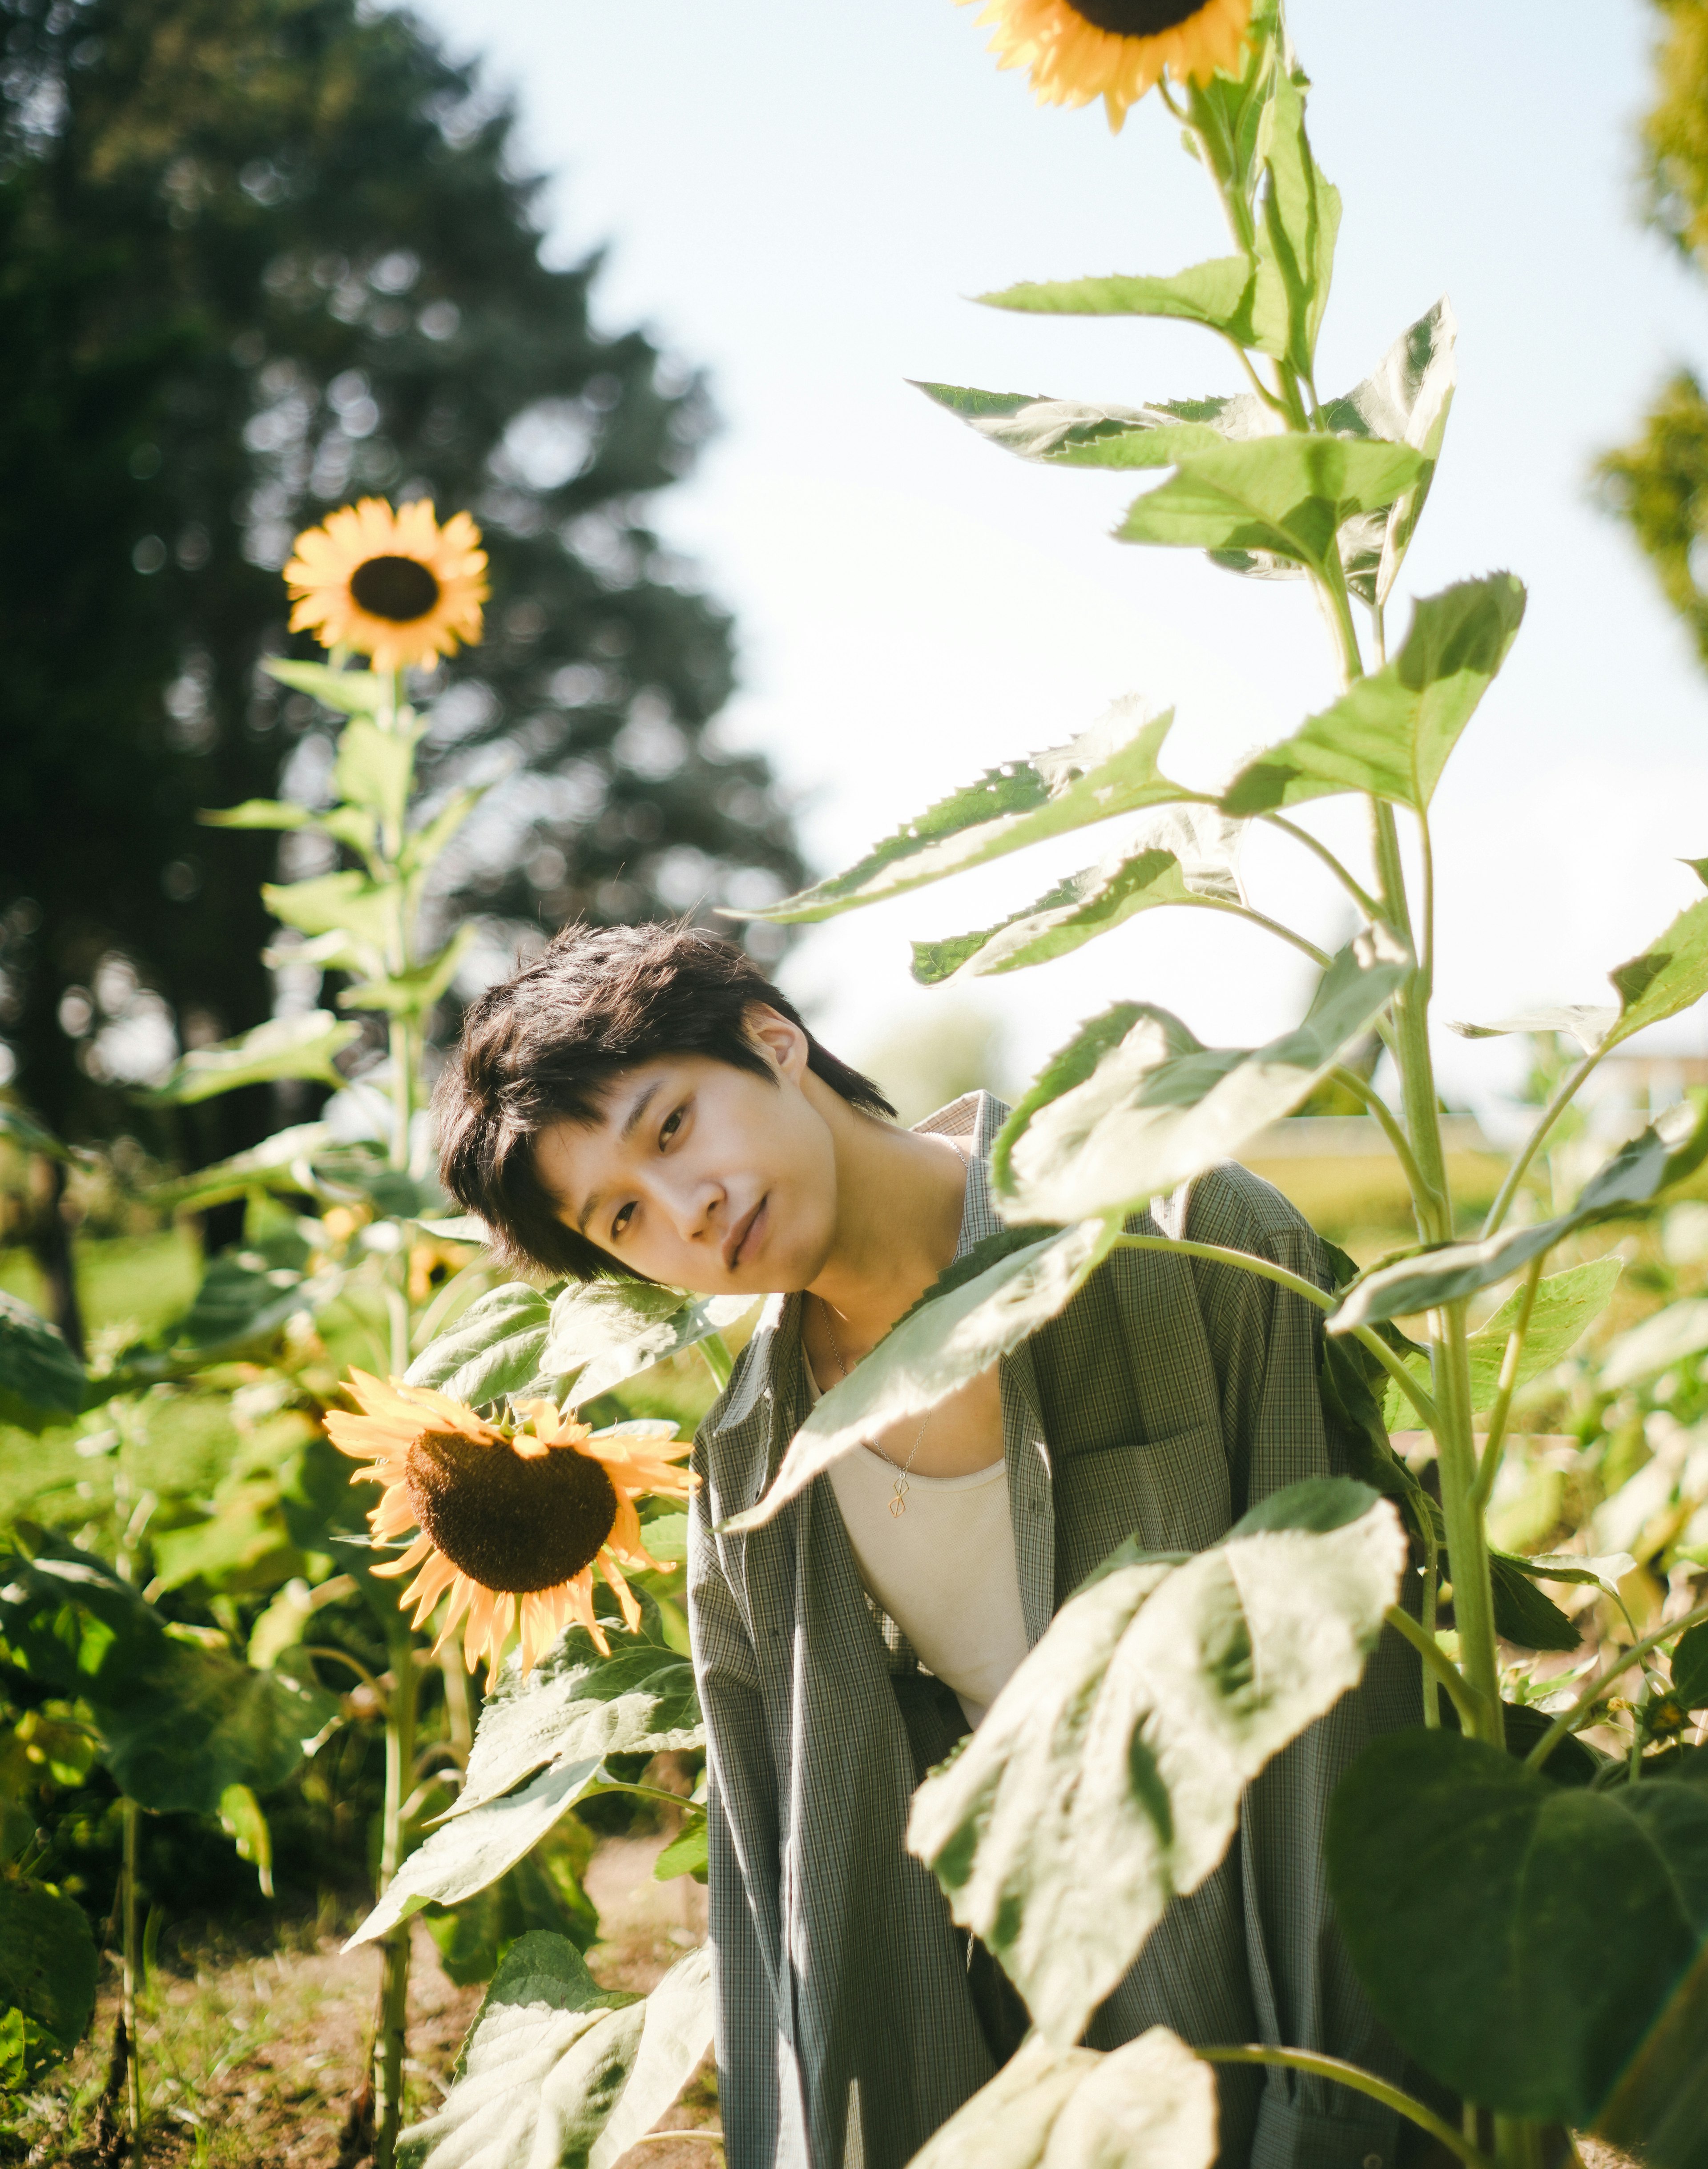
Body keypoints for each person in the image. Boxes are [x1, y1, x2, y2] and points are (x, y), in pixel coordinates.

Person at [437, 922, 1423, 2169]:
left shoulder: (1185, 1235)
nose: (691, 1208)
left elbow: (1351, 1708)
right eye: (624, 1214)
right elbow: (780, 1875)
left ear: (772, 1040)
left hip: (1297, 2023)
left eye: (673, 1126)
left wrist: (1329, 2129)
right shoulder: (753, 1468)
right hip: (1033, 2058)